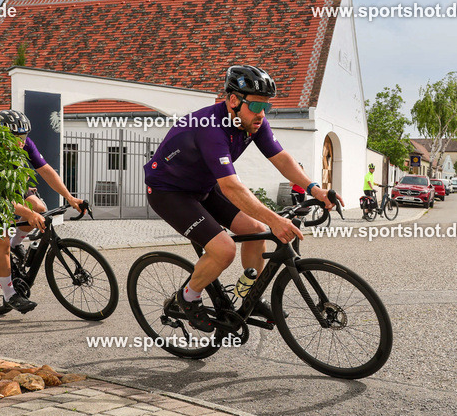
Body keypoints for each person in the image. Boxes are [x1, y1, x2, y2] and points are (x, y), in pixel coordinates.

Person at [144, 65, 339, 331]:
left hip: (204, 187)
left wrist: (314, 188)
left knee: (257, 232)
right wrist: (275, 220)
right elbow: (232, 187)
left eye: (267, 107)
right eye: (257, 106)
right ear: (233, 101)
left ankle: (250, 295)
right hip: (169, 192)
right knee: (224, 250)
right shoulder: (211, 127)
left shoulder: (252, 121)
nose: (262, 114)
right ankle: (188, 297)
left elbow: (281, 159)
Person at [0, 110, 83, 314]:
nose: (20, 142)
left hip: (12, 185)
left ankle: (17, 244)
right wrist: (28, 215)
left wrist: (69, 197)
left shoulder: (26, 144)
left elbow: (46, 171)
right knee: (2, 241)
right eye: (15, 138)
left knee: (40, 208)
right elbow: (0, 200)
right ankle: (10, 296)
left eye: (23, 137)